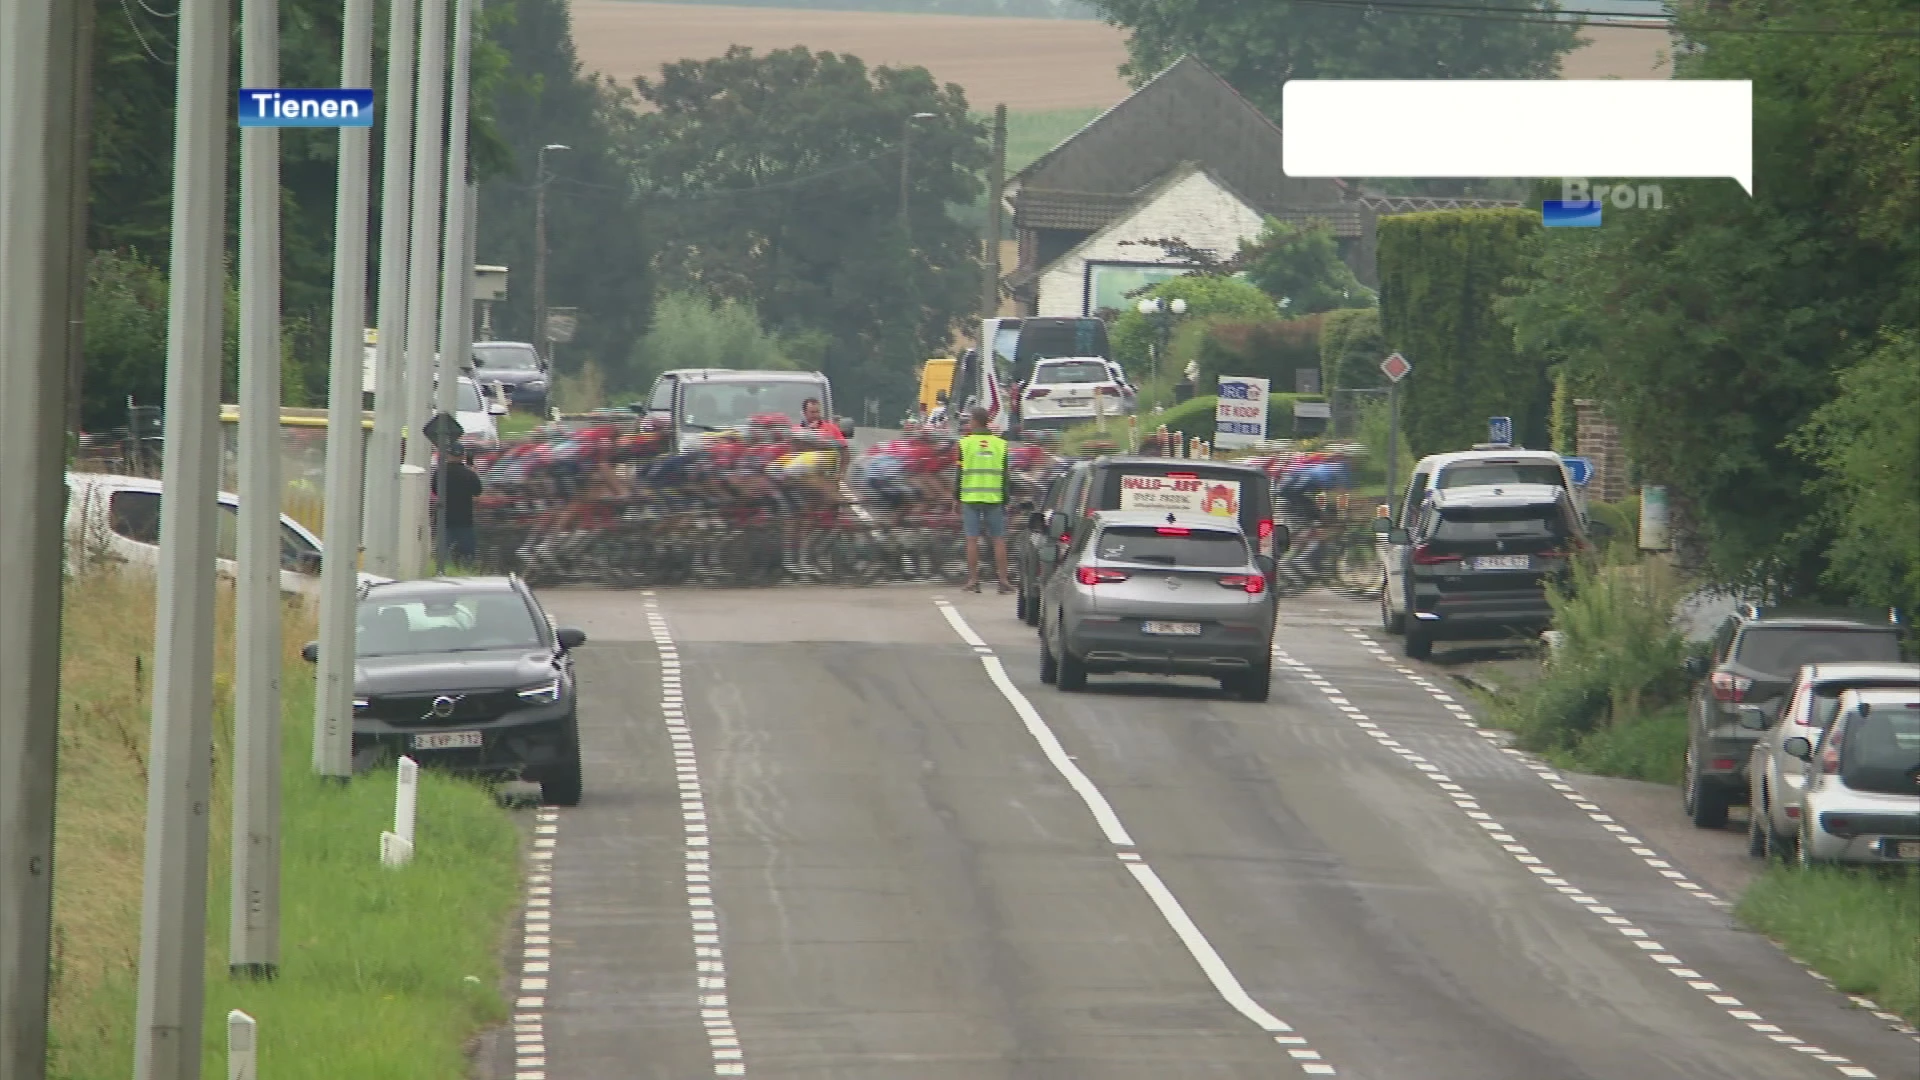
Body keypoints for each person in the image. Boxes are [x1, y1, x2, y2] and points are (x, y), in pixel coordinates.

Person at [954, 406, 1013, 594]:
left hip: (970, 498)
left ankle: (973, 581)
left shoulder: (964, 444)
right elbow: (1005, 475)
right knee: (998, 540)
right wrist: (1005, 498)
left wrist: (956, 498)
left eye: (970, 420)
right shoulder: (1000, 445)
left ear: (975, 422)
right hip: (994, 498)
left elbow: (959, 473)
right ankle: (1003, 580)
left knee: (972, 540)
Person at [432, 449, 484, 563]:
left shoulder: (440, 472)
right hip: (464, 517)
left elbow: (435, 490)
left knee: (444, 552)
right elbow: (477, 491)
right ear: (463, 456)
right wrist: (474, 473)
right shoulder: (468, 474)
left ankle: (443, 571)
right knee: (467, 554)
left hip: (444, 517)